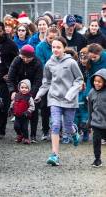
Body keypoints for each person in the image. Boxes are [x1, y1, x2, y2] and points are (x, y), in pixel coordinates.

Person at [34, 37, 83, 166]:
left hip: (69, 99)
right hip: (54, 98)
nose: (55, 50)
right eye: (53, 47)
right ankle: (54, 155)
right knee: (55, 124)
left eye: (58, 47)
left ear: (64, 48)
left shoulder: (71, 63)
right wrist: (39, 94)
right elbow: (47, 82)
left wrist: (70, 94)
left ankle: (74, 132)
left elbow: (79, 80)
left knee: (67, 126)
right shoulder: (49, 64)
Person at [7, 44, 43, 142]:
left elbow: (38, 81)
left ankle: (33, 135)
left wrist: (31, 94)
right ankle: (21, 133)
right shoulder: (17, 60)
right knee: (19, 111)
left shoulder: (38, 63)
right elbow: (10, 78)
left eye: (28, 58)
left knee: (33, 111)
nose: (26, 60)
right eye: (24, 57)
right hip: (19, 87)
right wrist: (12, 91)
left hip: (33, 89)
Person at [0, 21, 19, 139]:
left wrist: (10, 74)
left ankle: (1, 130)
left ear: (4, 31)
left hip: (5, 79)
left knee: (2, 105)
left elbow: (16, 61)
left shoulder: (11, 44)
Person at [87, 69, 106, 167]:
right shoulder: (91, 93)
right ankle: (97, 159)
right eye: (95, 81)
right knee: (96, 142)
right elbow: (90, 109)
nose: (97, 83)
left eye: (99, 82)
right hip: (96, 123)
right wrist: (89, 122)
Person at [10, 79, 35, 144]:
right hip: (17, 115)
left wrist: (28, 112)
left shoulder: (29, 97)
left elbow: (32, 106)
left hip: (25, 116)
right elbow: (13, 103)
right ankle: (20, 135)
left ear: (29, 88)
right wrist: (11, 108)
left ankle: (26, 138)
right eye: (22, 87)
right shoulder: (17, 95)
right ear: (19, 88)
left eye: (26, 88)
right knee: (16, 126)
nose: (24, 89)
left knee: (24, 128)